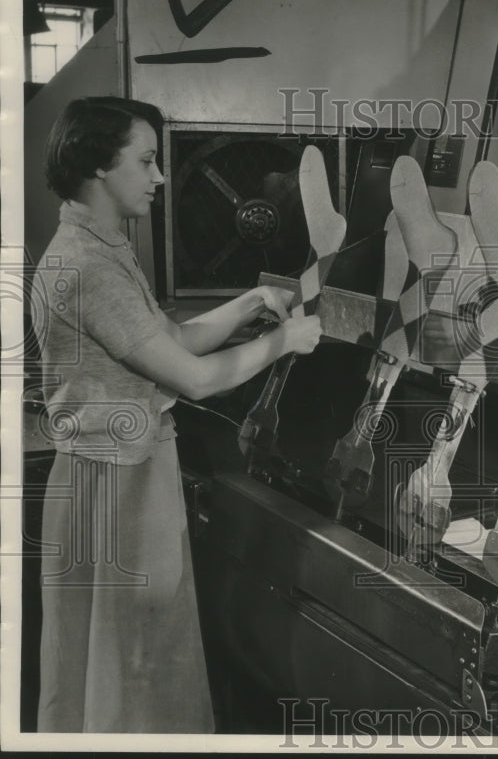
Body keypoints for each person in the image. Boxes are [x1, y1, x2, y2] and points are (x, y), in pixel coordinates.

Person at [30, 96, 322, 733]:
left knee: (114, 660)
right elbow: (193, 379)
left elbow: (173, 341)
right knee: (134, 658)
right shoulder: (87, 266)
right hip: (115, 484)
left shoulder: (103, 246)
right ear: (100, 168)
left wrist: (251, 301)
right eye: (147, 160)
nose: (161, 176)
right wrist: (284, 342)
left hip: (118, 474)